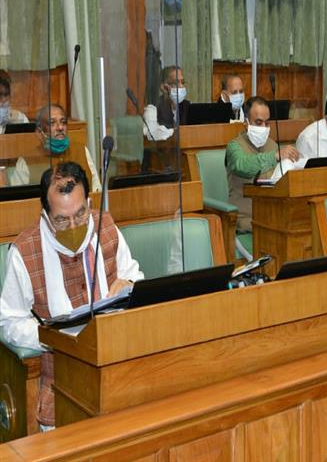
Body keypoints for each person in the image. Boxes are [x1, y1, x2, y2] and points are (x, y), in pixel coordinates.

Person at [0, 162, 143, 429]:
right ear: (45, 215)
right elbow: (9, 323)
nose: (74, 225)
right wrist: (54, 336)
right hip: (60, 382)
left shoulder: (105, 226)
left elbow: (135, 276)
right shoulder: (24, 251)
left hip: (116, 369)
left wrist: (128, 287)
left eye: (80, 214)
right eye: (62, 220)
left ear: (89, 202)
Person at [225, 96, 299, 232]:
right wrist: (275, 156)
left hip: (272, 218)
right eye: (258, 122)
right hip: (246, 221)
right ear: (246, 123)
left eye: (267, 123)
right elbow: (242, 166)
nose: (264, 127)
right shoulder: (234, 146)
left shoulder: (272, 145)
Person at [143, 66, 190, 140]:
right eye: (176, 82)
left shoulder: (187, 106)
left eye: (182, 82)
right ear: (164, 87)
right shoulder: (153, 108)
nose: (181, 86)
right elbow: (152, 135)